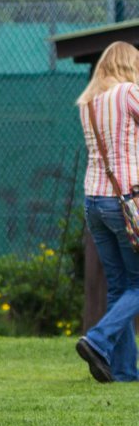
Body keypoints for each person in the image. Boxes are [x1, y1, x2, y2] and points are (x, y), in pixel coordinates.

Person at [75, 40, 139, 383]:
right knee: (138, 284)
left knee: (120, 286)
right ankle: (98, 339)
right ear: (129, 65)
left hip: (94, 202)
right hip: (126, 201)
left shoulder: (88, 102)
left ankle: (126, 371)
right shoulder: (129, 93)